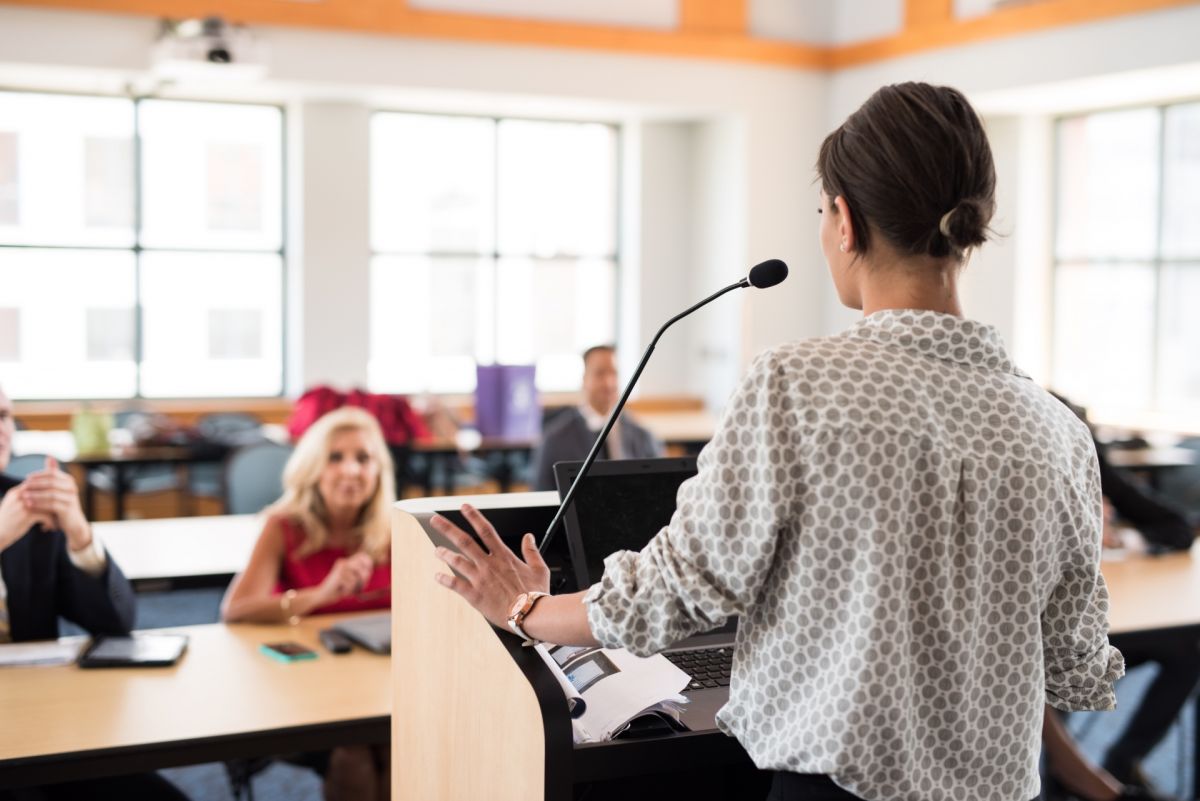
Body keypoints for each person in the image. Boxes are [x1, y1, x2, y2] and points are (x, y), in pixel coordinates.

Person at [429, 82, 1125, 801]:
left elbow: (677, 589)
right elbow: (1075, 666)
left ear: (845, 221)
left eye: (822, 213)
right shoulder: (1059, 430)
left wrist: (526, 609)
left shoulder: (800, 384)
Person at [0, 385, 186, 801]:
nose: (1, 430)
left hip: (35, 724)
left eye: (4, 416)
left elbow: (115, 623)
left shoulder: (28, 503)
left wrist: (80, 534)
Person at [222, 406, 395, 801]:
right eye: (335, 457)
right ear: (313, 467)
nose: (351, 470)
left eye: (363, 458)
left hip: (381, 682)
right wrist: (320, 595)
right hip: (308, 688)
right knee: (354, 754)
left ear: (379, 471)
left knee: (400, 747)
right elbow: (236, 610)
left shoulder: (393, 529)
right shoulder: (284, 525)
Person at [531, 344, 663, 491]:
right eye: (600, 373)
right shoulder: (555, 439)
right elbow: (541, 495)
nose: (609, 383)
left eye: (614, 373)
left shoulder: (643, 437)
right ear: (584, 379)